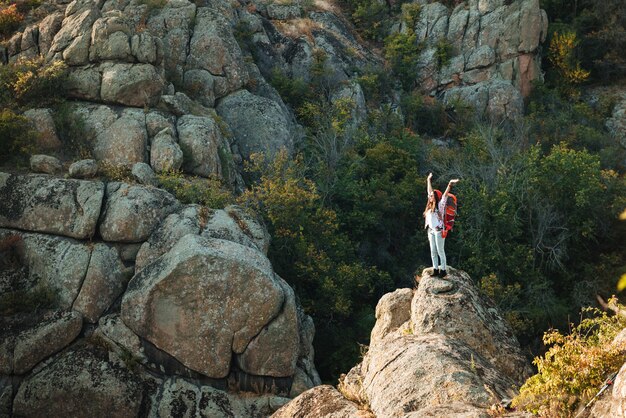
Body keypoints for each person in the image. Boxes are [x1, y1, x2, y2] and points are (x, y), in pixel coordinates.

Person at [423, 173, 459, 277]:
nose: (431, 197)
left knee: (440, 251)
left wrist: (450, 184)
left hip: (439, 231)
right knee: (433, 251)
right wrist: (428, 180)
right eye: (430, 196)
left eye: (433, 196)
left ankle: (443, 270)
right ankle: (435, 269)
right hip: (430, 230)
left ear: (436, 197)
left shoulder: (440, 206)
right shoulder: (429, 205)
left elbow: (444, 195)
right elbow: (429, 191)